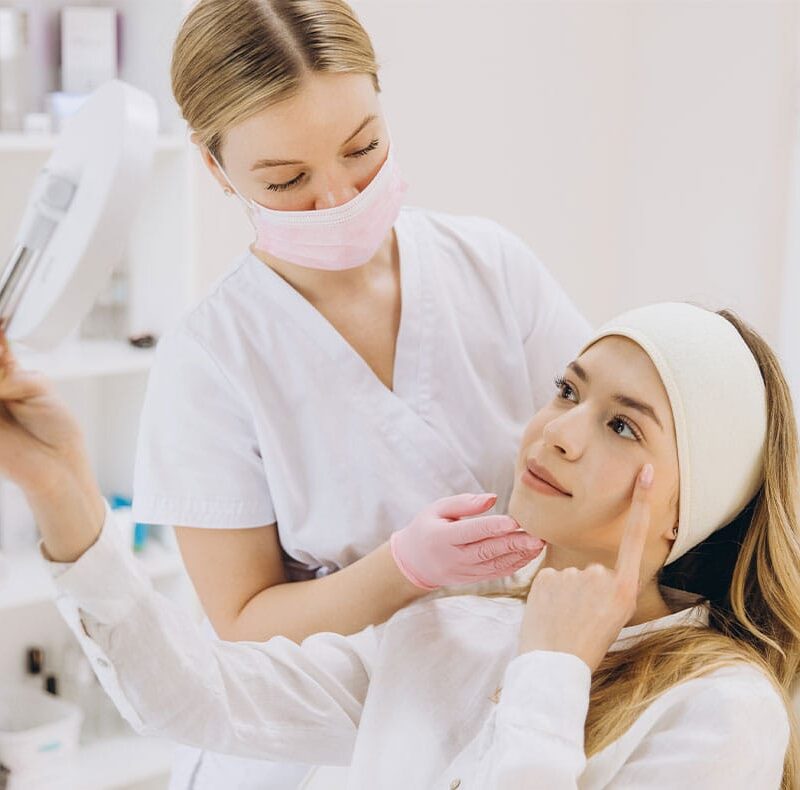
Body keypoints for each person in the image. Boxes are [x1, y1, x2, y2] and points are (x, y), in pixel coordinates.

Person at [4, 301, 798, 787]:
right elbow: (194, 696)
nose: (558, 433)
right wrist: (64, 493)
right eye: (567, 390)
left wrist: (552, 671)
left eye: (622, 426)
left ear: (691, 507)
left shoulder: (721, 710)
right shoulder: (452, 629)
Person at [133, 2, 590, 785]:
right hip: (318, 740)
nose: (340, 197)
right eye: (287, 180)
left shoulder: (491, 267)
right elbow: (241, 623)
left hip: (503, 698)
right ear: (215, 169)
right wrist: (403, 568)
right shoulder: (210, 361)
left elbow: (602, 439)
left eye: (363, 148)